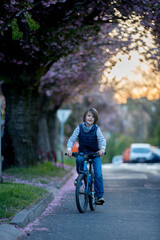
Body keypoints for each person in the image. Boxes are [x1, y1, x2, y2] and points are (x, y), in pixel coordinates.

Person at [67, 107, 106, 204]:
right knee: (79, 160)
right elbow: (72, 139)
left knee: (98, 174)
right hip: (83, 152)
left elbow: (102, 139)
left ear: (95, 119)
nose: (90, 118)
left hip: (95, 153)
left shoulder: (96, 129)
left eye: (93, 117)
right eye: (88, 116)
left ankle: (99, 196)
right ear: (84, 117)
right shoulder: (79, 128)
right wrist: (69, 149)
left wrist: (102, 149)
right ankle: (80, 177)